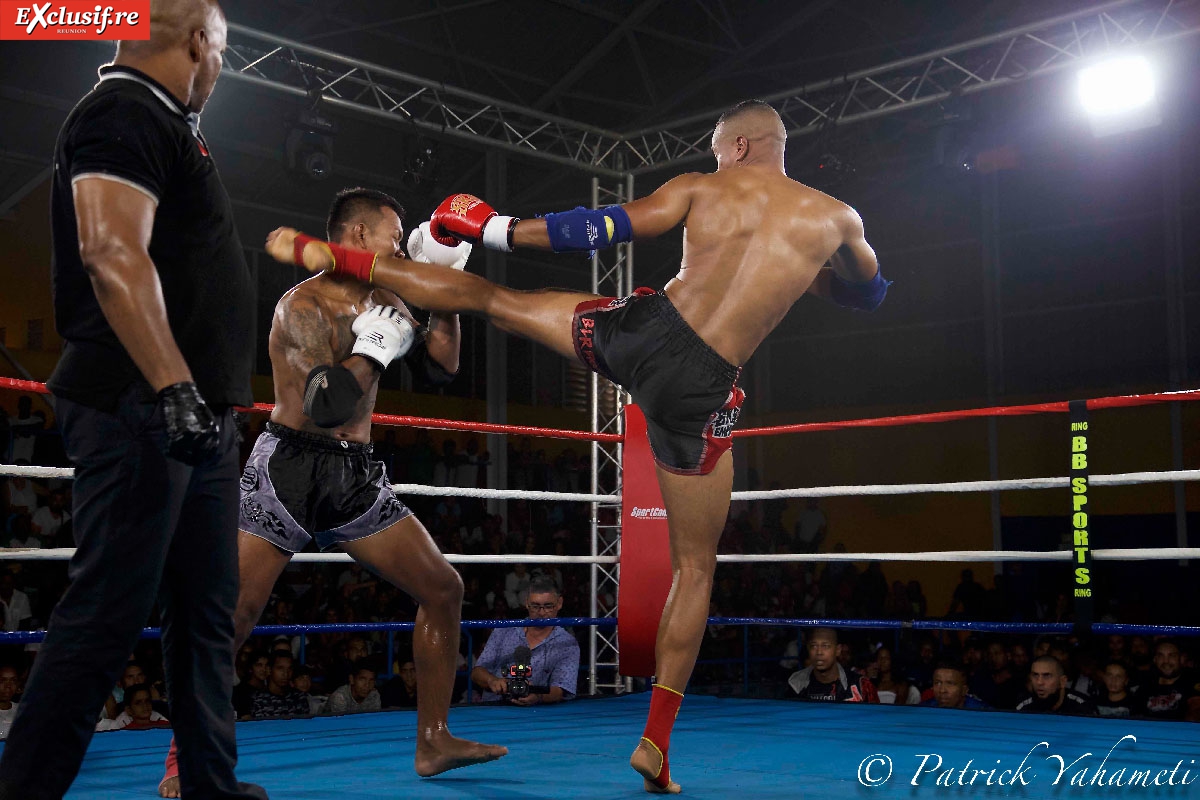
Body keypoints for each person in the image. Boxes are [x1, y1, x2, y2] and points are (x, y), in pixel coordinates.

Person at [266, 99, 887, 794]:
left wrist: (497, 229)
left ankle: (334, 256)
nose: (717, 161)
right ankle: (655, 743)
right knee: (695, 569)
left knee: (492, 300)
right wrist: (806, 267)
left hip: (643, 335)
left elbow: (600, 227)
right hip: (702, 391)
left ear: (738, 147)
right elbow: (869, 294)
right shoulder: (838, 220)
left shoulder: (702, 189)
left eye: (718, 149)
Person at [156, 186, 505, 797]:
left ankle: (434, 741)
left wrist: (441, 295)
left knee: (443, 588)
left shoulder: (387, 297)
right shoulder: (302, 306)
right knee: (234, 615)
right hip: (289, 466)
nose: (401, 248)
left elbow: (442, 367)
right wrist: (374, 349)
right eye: (394, 237)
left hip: (354, 474)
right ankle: (184, 756)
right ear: (360, 235)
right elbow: (324, 405)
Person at [0, 3, 268, 798]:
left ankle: (211, 786)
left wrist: (198, 396)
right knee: (108, 611)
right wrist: (173, 385)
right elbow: (111, 250)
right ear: (200, 41)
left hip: (195, 411)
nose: (220, 69)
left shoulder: (165, 124)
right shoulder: (124, 111)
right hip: (141, 399)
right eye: (223, 52)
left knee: (205, 612)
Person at [469, 576, 580, 705]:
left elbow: (561, 689)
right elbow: (477, 672)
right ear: (526, 603)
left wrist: (538, 696)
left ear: (559, 603)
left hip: (537, 712)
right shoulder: (503, 631)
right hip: (494, 707)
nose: (541, 613)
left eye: (548, 606)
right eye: (535, 606)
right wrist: (492, 681)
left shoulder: (567, 643)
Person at [787, 627, 879, 704]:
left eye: (825, 646)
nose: (819, 652)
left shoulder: (861, 685)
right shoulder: (796, 683)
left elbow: (876, 718)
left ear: (838, 650)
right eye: (814, 646)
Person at [1015, 655, 1096, 716]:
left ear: (1062, 681)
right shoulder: (1023, 708)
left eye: (1047, 676)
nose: (1039, 682)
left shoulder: (1083, 708)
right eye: (1035, 675)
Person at [920, 661, 988, 710]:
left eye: (950, 684)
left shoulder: (983, 712)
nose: (942, 690)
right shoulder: (924, 710)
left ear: (964, 690)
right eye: (938, 683)